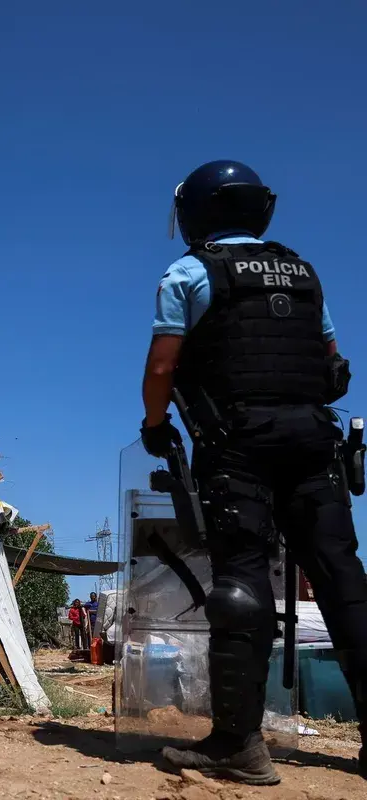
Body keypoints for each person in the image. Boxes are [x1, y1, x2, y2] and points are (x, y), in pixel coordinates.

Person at [140, 159, 367, 785]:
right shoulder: (303, 273)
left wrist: (156, 425)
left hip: (237, 444)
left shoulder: (190, 272)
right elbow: (331, 360)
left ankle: (238, 745)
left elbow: (161, 367)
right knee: (343, 580)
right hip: (314, 440)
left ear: (197, 211)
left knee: (241, 582)